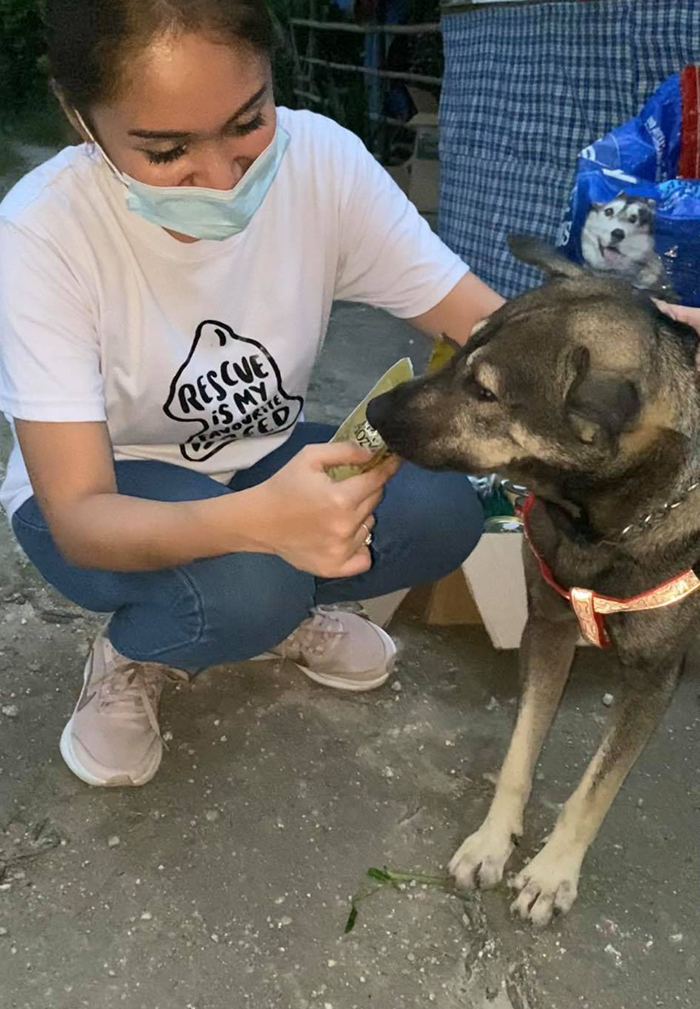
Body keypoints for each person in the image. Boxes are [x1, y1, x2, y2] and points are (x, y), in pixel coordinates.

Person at [0, 0, 503, 789]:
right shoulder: (40, 233)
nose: (221, 178)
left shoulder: (322, 163)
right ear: (79, 118)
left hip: (261, 456)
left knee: (444, 508)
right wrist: (261, 523)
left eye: (247, 122)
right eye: (166, 151)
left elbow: (487, 323)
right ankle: (142, 647)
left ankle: (278, 609)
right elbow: (82, 517)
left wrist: (640, 335)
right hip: (106, 490)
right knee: (246, 583)